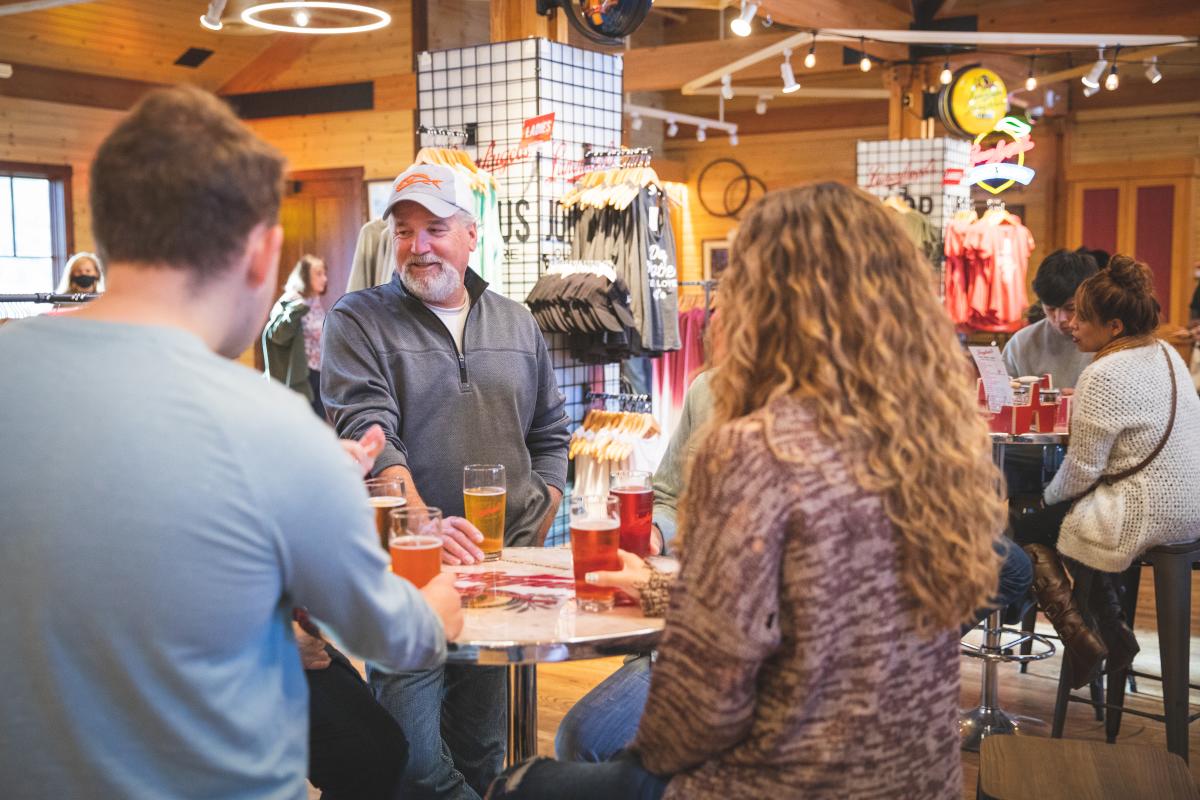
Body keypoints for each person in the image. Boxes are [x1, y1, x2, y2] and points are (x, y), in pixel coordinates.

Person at [0, 85, 463, 799]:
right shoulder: (271, 431)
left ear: (108, 234)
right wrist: (441, 603)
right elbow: (397, 638)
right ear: (261, 254)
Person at [487, 182, 1008, 799]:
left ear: (763, 301)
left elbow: (703, 704)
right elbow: (823, 605)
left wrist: (652, 758)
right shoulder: (934, 438)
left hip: (788, 782)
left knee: (522, 783)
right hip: (916, 775)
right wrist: (663, 588)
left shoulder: (759, 448)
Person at [322, 162, 571, 798]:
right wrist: (422, 527)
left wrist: (544, 501)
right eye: (404, 231)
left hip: (500, 570)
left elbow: (549, 431)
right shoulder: (358, 319)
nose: (418, 246)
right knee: (409, 760)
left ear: (470, 235)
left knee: (481, 748)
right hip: (408, 574)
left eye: (434, 228)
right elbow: (372, 433)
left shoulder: (518, 322)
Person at [1012, 255, 1200, 687]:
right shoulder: (1167, 353)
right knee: (1063, 517)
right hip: (1189, 504)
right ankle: (1109, 630)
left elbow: (1081, 471)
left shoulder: (1104, 372)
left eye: (1083, 316)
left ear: (1114, 326)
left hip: (1143, 509)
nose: (1072, 324)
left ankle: (1084, 638)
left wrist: (1042, 501)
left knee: (1024, 522)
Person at [1002, 248, 1099, 389]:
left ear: (1090, 298)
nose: (1060, 319)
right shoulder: (1021, 344)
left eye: (1070, 308)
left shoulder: (1107, 342)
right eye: (1050, 308)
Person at [264, 253, 330, 418]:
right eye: (318, 273)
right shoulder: (291, 301)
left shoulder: (314, 300)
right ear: (304, 276)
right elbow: (276, 335)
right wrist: (294, 311)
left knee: (319, 425)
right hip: (300, 375)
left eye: (324, 273)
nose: (325, 278)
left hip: (319, 372)